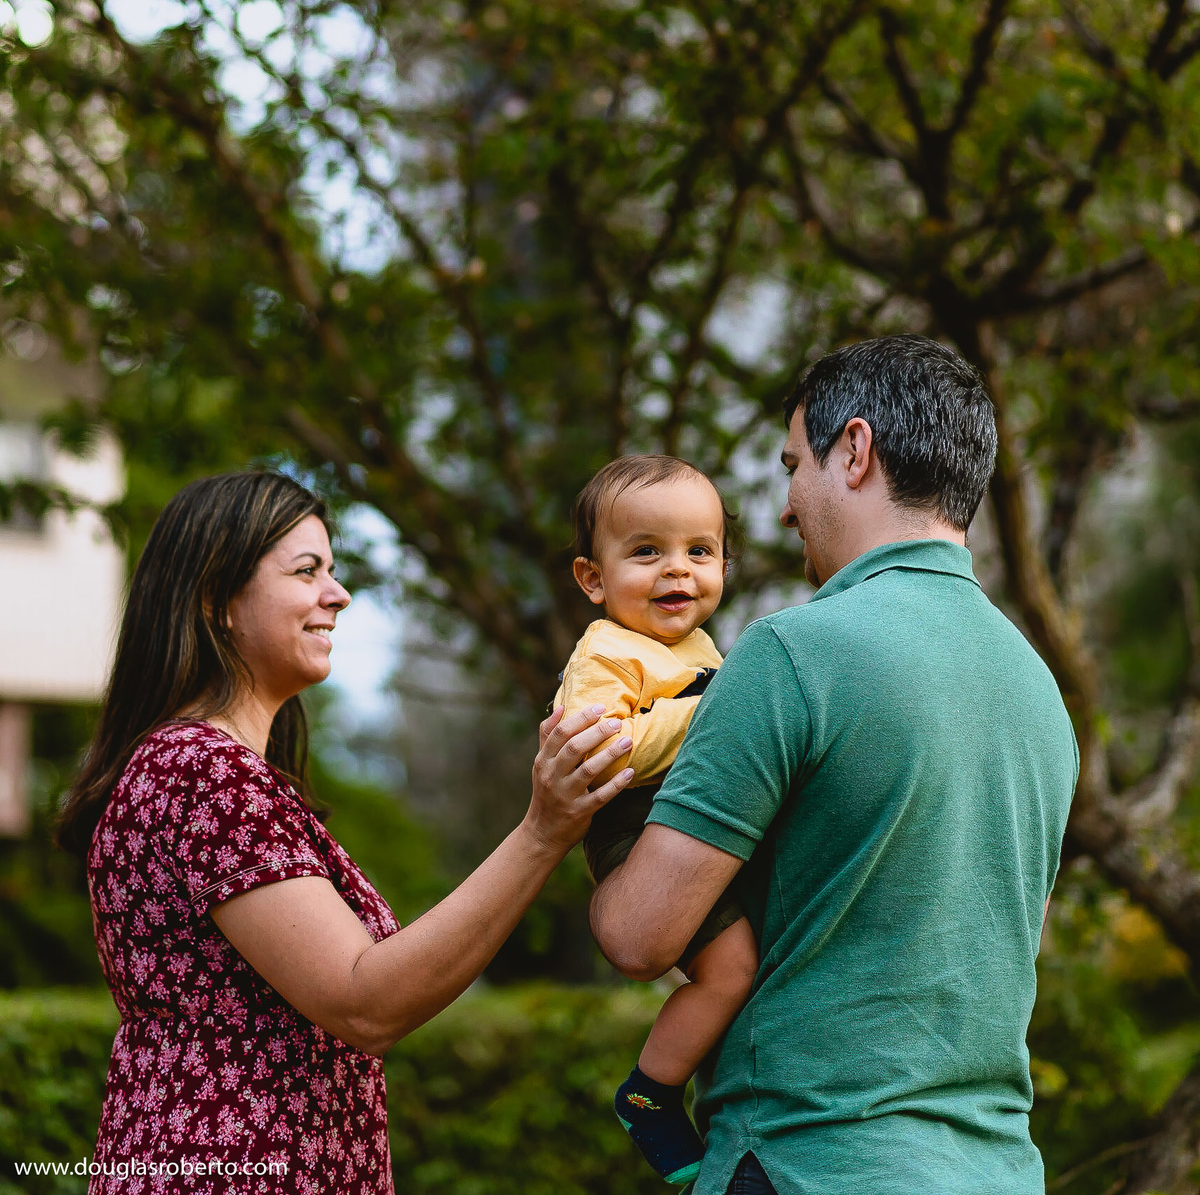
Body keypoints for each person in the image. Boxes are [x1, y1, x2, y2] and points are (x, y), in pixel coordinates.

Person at [590, 335, 1079, 1195]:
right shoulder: (1040, 689)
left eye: (791, 467)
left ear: (853, 451)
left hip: (807, 1160)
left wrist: (564, 819)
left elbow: (639, 935)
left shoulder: (791, 652)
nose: (783, 508)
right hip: (997, 1170)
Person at [59, 469, 635, 1195]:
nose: (339, 594)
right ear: (216, 600)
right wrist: (542, 832)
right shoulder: (197, 770)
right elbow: (365, 1001)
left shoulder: (216, 770)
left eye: (334, 570)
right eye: (307, 571)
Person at [560, 455, 758, 1187]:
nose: (677, 570)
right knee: (728, 968)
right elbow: (602, 743)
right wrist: (717, 716)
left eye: (698, 551)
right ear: (594, 578)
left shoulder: (696, 649)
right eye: (647, 551)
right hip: (635, 827)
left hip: (693, 818)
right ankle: (649, 1092)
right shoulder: (605, 651)